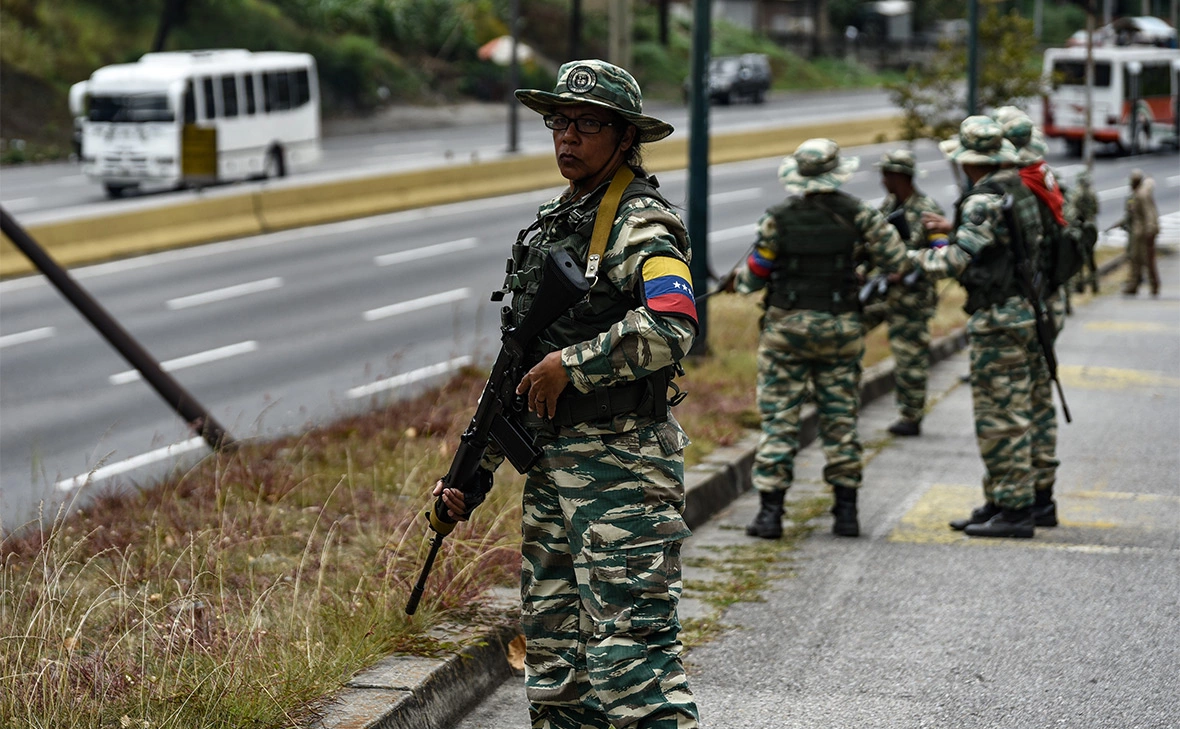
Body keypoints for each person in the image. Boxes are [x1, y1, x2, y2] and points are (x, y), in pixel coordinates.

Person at [432, 60, 700, 729]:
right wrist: (471, 476)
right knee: (556, 668)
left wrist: (573, 366)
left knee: (634, 662)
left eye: (587, 124)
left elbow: (674, 325)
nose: (568, 137)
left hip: (623, 468)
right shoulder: (558, 222)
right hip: (554, 469)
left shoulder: (641, 223)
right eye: (559, 121)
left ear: (625, 137)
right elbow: (519, 370)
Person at [731, 138, 910, 540]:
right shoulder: (859, 214)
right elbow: (897, 260)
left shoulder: (778, 218)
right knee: (840, 419)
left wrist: (740, 282)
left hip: (786, 332)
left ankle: (770, 515)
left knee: (780, 420)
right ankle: (846, 514)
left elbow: (754, 276)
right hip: (840, 330)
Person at [915, 116, 1053, 538]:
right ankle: (1003, 500)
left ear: (969, 161)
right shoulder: (1018, 188)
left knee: (999, 417)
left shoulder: (983, 198)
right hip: (1026, 310)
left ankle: (1014, 511)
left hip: (999, 318)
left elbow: (955, 260)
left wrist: (905, 258)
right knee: (1019, 408)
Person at [862, 149, 947, 437]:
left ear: (899, 176)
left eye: (886, 175)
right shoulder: (887, 207)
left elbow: (941, 255)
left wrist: (911, 268)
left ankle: (911, 416)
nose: (882, 180)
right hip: (880, 292)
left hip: (912, 297)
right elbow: (872, 244)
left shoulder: (928, 210)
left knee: (910, 358)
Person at [1116, 169, 1161, 296]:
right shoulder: (1136, 195)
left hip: (1143, 232)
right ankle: (1134, 284)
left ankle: (1152, 284)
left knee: (1145, 259)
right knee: (1135, 258)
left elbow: (1149, 213)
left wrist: (1150, 229)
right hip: (1138, 232)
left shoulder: (1142, 195)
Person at [1066, 170, 1100, 295]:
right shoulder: (1092, 193)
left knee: (1079, 256)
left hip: (1081, 227)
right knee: (1091, 257)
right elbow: (1096, 209)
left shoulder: (1076, 194)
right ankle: (1095, 283)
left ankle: (1080, 284)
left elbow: (1072, 211)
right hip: (1091, 227)